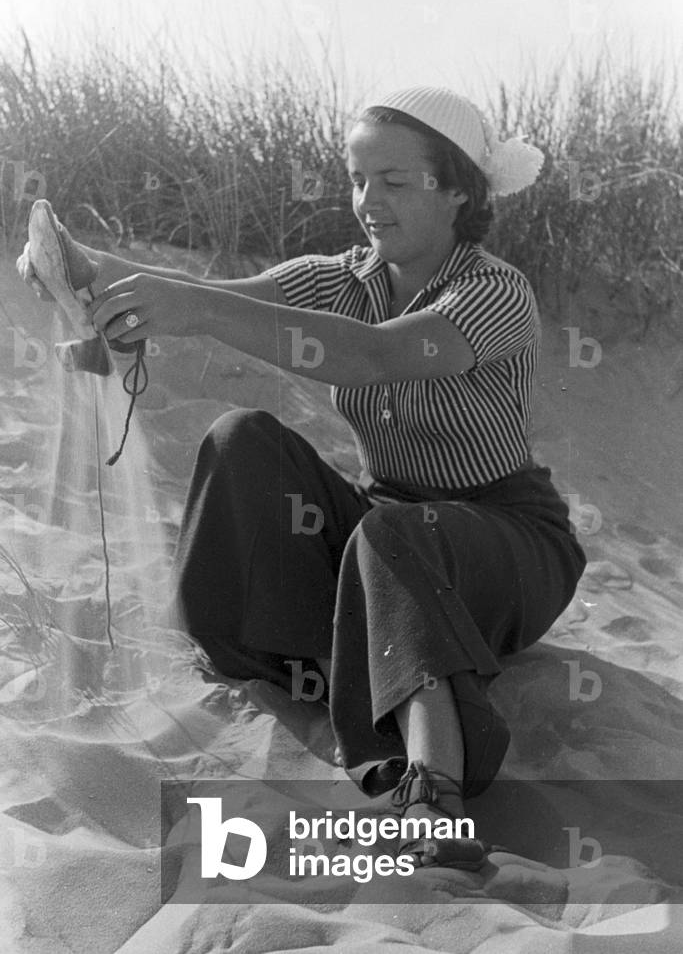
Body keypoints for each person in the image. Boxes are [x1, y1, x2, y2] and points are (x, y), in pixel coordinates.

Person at [18, 86, 587, 871]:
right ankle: (285, 660)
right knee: (241, 441)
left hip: (507, 542)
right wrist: (76, 268)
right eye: (357, 179)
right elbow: (210, 297)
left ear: (458, 189)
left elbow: (373, 355)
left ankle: (433, 786)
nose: (368, 201)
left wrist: (189, 311)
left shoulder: (494, 292)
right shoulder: (343, 277)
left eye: (394, 181)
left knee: (392, 532)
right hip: (384, 534)